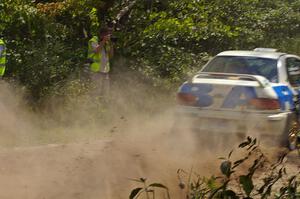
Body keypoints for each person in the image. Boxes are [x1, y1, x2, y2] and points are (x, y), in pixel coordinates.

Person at [87, 27, 114, 97]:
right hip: (96, 71)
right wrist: (104, 41)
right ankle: (93, 106)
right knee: (96, 92)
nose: (109, 37)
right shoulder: (93, 40)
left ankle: (105, 106)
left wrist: (111, 45)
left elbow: (111, 56)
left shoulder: (107, 43)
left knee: (106, 92)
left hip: (105, 70)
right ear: (103, 34)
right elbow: (96, 50)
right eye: (108, 35)